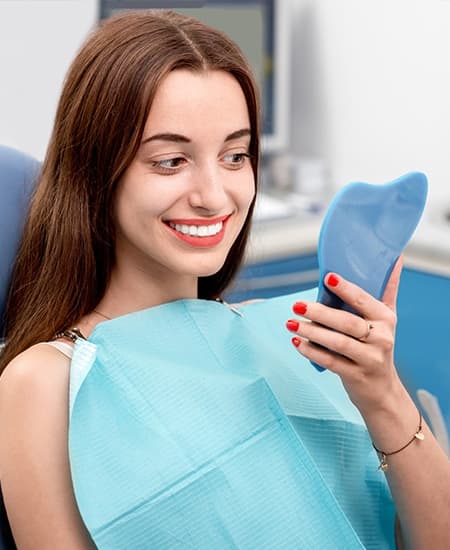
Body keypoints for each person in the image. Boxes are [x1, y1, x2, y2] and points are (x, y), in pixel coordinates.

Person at [0, 9, 448, 550]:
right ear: (96, 169)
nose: (215, 195)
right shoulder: (45, 383)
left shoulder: (295, 334)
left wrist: (384, 397)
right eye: (170, 161)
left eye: (235, 155)